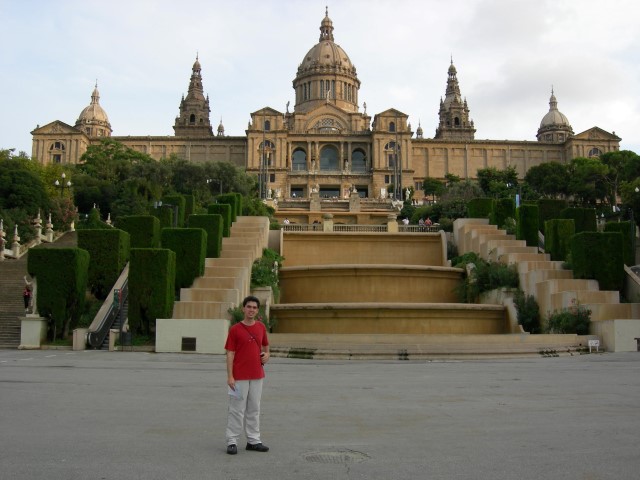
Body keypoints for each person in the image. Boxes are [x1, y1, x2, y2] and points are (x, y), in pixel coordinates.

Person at [225, 295, 270, 455]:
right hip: (239, 376)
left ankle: (253, 440)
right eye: (249, 306)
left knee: (254, 408)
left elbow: (266, 346)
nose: (251, 310)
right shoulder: (235, 329)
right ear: (243, 309)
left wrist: (267, 355)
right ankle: (232, 441)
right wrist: (230, 376)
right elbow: (230, 353)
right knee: (236, 409)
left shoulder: (261, 327)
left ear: (257, 311)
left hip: (257, 375)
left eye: (254, 307)